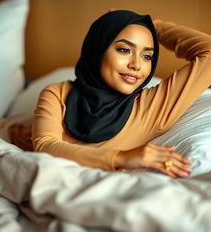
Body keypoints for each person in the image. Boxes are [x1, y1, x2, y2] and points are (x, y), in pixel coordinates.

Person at [30, 10, 211, 178]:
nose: (136, 65)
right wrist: (121, 158)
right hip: (12, 134)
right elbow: (44, 146)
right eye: (124, 50)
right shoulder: (58, 92)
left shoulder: (152, 105)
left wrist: (149, 25)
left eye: (147, 56)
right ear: (98, 49)